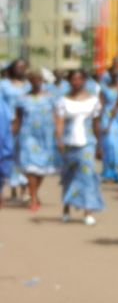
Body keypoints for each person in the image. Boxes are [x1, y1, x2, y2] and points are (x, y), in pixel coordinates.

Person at [55, 69, 104, 225]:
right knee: (69, 176)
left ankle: (87, 210)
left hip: (87, 143)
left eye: (79, 79)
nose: (76, 82)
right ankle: (66, 208)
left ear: (84, 81)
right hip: (69, 142)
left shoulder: (93, 100)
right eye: (73, 80)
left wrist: (99, 145)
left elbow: (97, 124)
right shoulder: (63, 101)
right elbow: (60, 123)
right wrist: (59, 140)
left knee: (87, 175)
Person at [12, 69, 58, 212]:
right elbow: (18, 119)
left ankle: (34, 192)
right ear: (29, 81)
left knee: (42, 168)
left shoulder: (51, 97)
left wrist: (59, 133)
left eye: (39, 78)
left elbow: (57, 116)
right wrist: (13, 134)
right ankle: (33, 198)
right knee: (30, 166)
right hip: (28, 136)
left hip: (46, 136)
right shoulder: (22, 98)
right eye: (33, 79)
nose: (36, 81)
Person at [1, 58, 30, 202]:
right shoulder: (3, 85)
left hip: (28, 125)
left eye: (23, 67)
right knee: (10, 154)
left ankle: (24, 190)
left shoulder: (28, 85)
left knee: (24, 156)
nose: (21, 69)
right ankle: (12, 188)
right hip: (7, 123)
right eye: (18, 67)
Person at [98, 62, 118, 182]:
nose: (115, 77)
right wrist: (100, 120)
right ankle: (108, 172)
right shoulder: (104, 88)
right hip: (106, 116)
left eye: (117, 75)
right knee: (109, 145)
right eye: (112, 74)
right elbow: (101, 104)